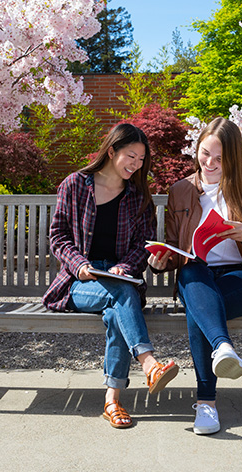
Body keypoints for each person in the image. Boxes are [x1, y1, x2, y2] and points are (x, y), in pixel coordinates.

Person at [42, 123, 178, 429]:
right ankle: (149, 364)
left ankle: (112, 402)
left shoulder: (138, 196)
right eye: (131, 156)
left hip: (120, 282)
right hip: (79, 283)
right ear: (112, 150)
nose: (136, 165)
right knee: (122, 296)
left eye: (142, 160)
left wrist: (125, 268)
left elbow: (144, 245)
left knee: (119, 304)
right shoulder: (75, 184)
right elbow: (58, 237)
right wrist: (80, 265)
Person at [148, 117, 242, 435]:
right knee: (193, 276)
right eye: (205, 154)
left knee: (198, 310)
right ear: (197, 150)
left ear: (233, 158)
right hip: (197, 274)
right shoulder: (180, 191)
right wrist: (161, 263)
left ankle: (207, 403)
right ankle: (222, 351)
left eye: (220, 158)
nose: (210, 163)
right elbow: (177, 250)